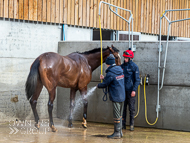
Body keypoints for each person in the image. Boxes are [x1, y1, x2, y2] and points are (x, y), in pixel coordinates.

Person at [97, 54, 125, 139]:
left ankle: (117, 133)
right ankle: (120, 132)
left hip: (116, 96)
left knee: (116, 115)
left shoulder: (110, 73)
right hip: (122, 95)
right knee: (120, 115)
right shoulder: (119, 69)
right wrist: (105, 78)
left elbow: (105, 84)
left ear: (108, 64)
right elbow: (113, 79)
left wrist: (98, 85)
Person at [121, 49, 140, 131]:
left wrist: (134, 90)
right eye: (124, 58)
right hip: (123, 91)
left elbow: (137, 80)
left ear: (130, 58)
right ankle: (123, 125)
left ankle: (131, 125)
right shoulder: (121, 67)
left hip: (130, 91)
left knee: (131, 109)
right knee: (123, 109)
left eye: (126, 58)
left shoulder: (134, 67)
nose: (125, 59)